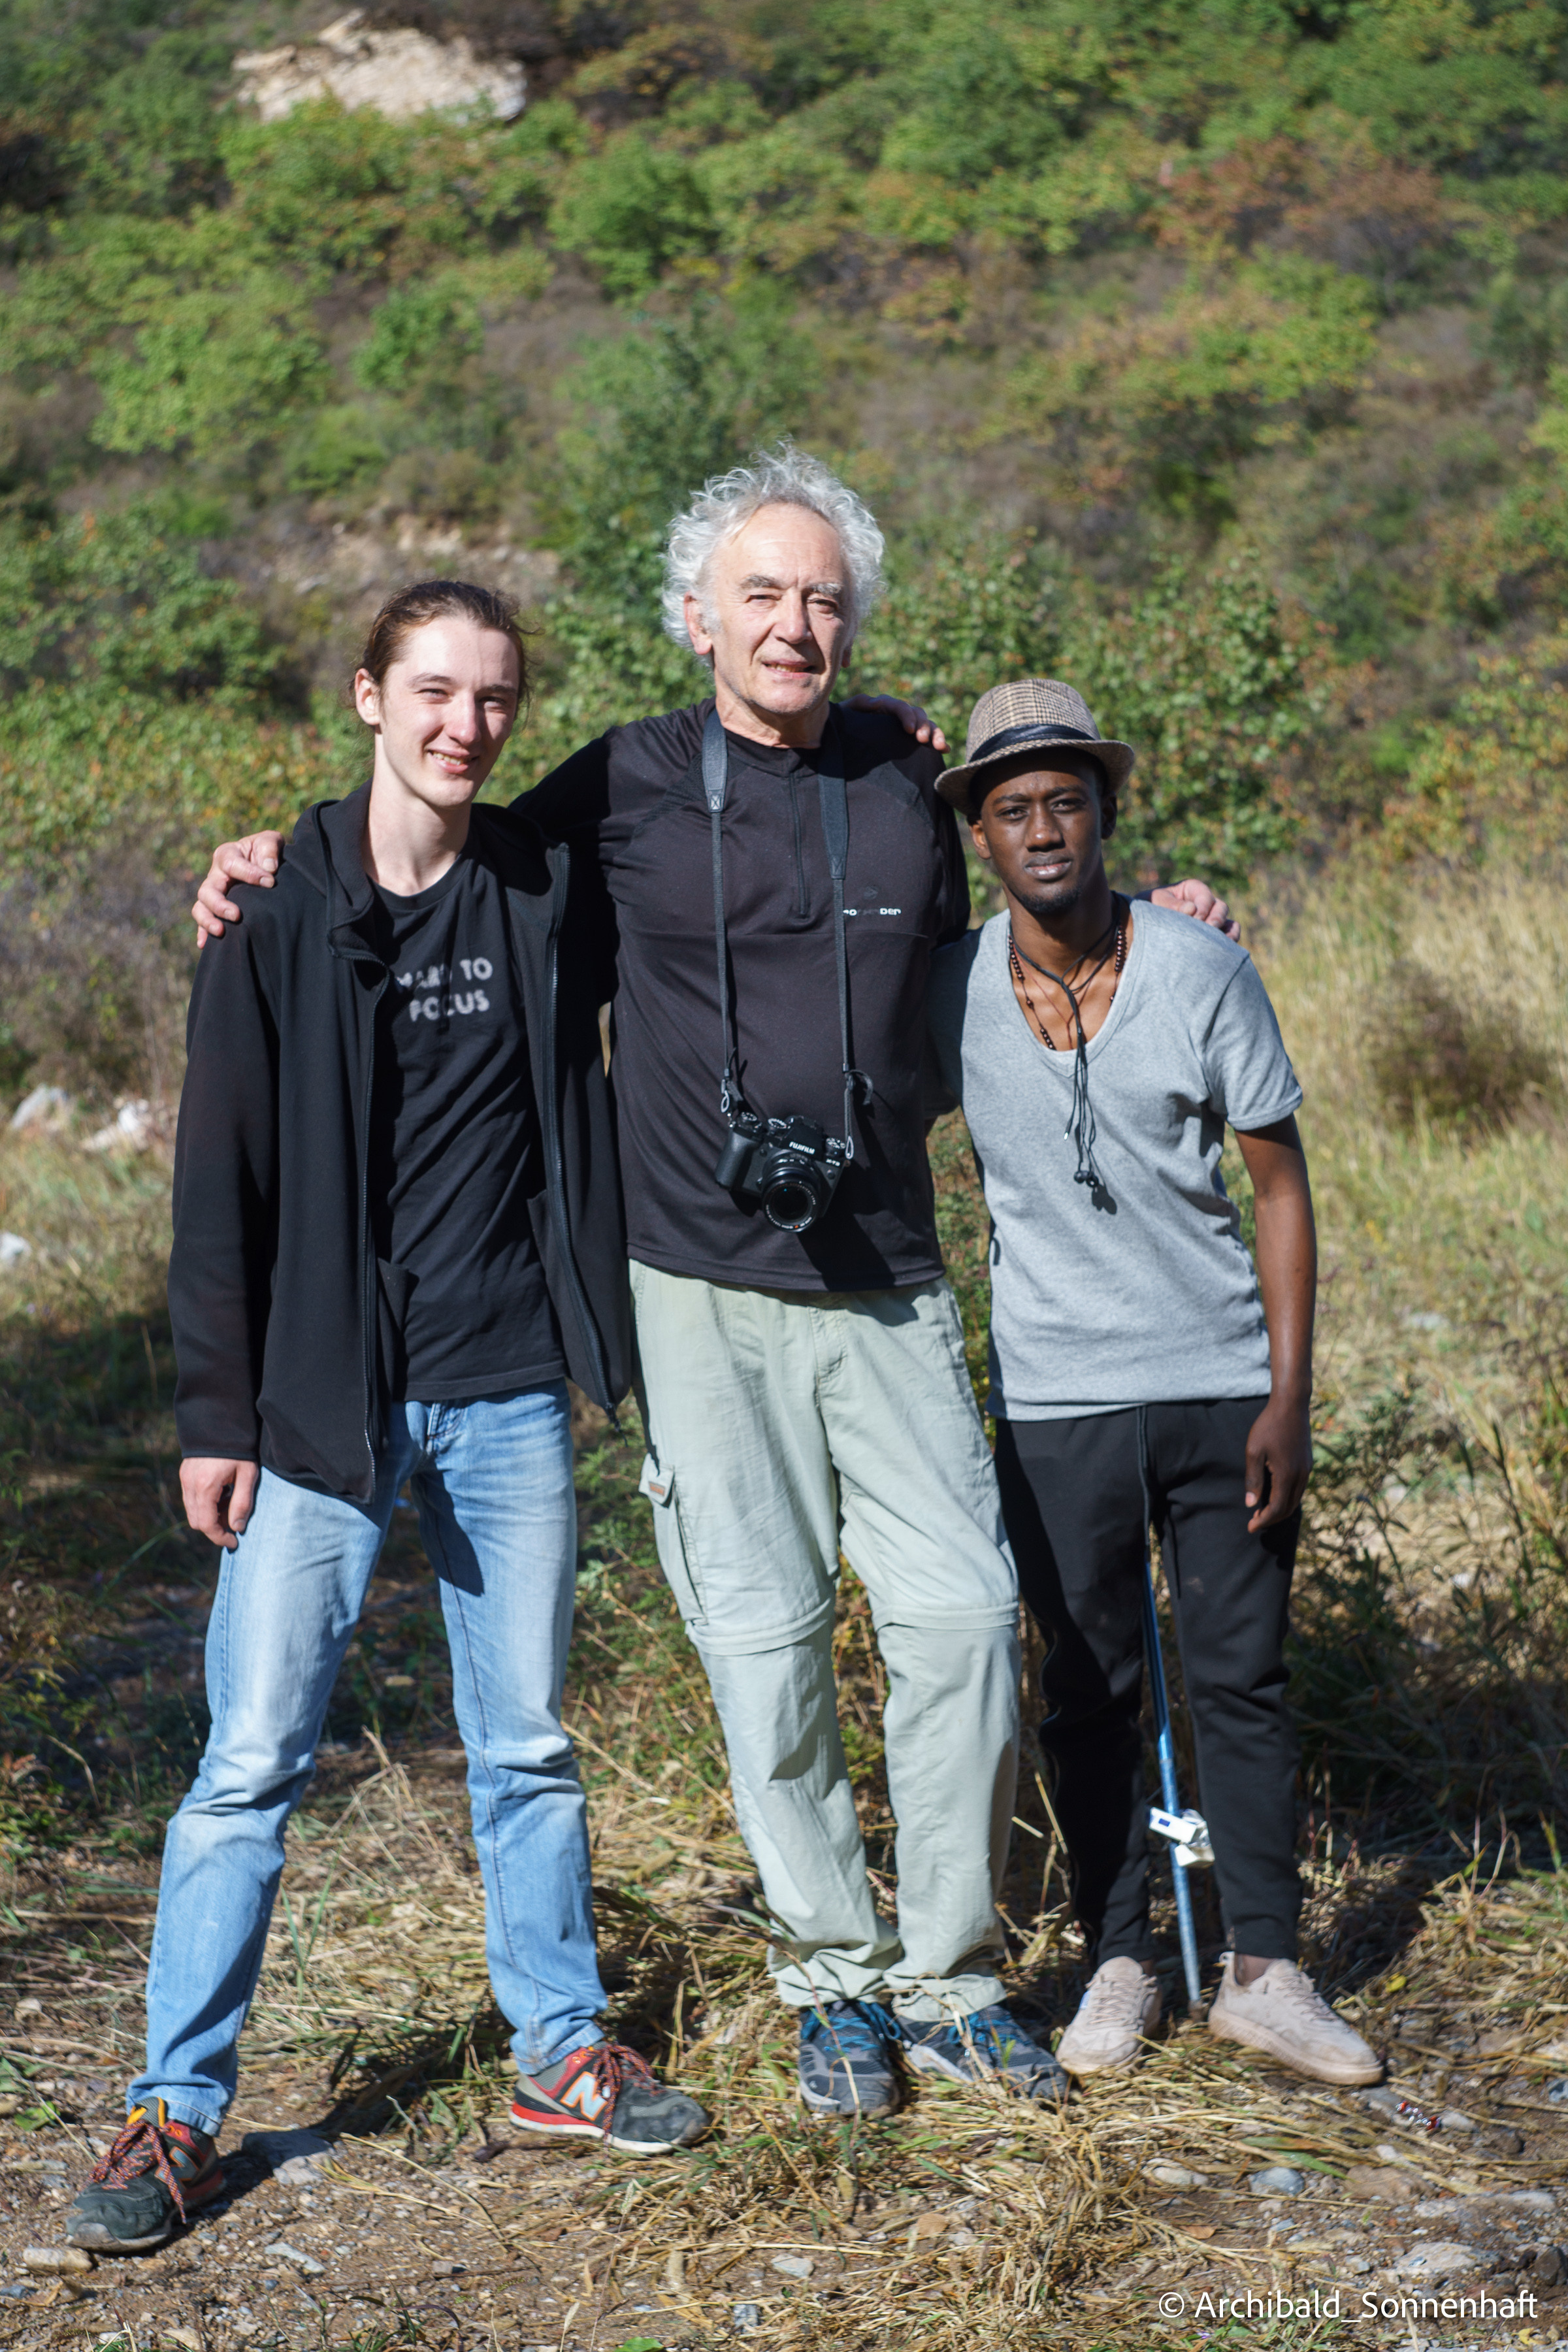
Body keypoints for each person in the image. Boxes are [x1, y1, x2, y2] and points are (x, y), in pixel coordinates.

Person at [190, 449, 1236, 2120]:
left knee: (963, 1617)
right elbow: (430, 850)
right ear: (696, 618)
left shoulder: (908, 775)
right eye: (761, 593)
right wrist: (270, 861)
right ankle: (831, 1979)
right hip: (693, 1284)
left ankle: (951, 1980)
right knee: (765, 1649)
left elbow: (1009, 948)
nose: (794, 624)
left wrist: (1155, 925)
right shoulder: (616, 789)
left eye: (824, 598)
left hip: (888, 1277)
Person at [67, 582, 708, 2260]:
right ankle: (175, 2111)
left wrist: (904, 742)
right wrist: (217, 1411)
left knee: (530, 1747)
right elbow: (217, 1194)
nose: (465, 725)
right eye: (432, 691)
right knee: (250, 1762)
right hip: (316, 1406)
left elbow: (708, 752)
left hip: (504, 1386)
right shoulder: (277, 913)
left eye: (494, 699)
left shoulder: (541, 878)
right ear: (368, 696)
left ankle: (560, 2052)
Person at [924, 678, 1381, 2088]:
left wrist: (1288, 1398)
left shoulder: (1197, 970)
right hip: (1059, 1401)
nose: (1045, 828)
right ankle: (1117, 1955)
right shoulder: (944, 990)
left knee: (1240, 1677)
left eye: (1069, 800)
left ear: (1107, 815)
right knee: (1089, 1684)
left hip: (1220, 1389)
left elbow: (1280, 1184)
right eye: (1015, 810)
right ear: (982, 840)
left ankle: (1264, 1967)